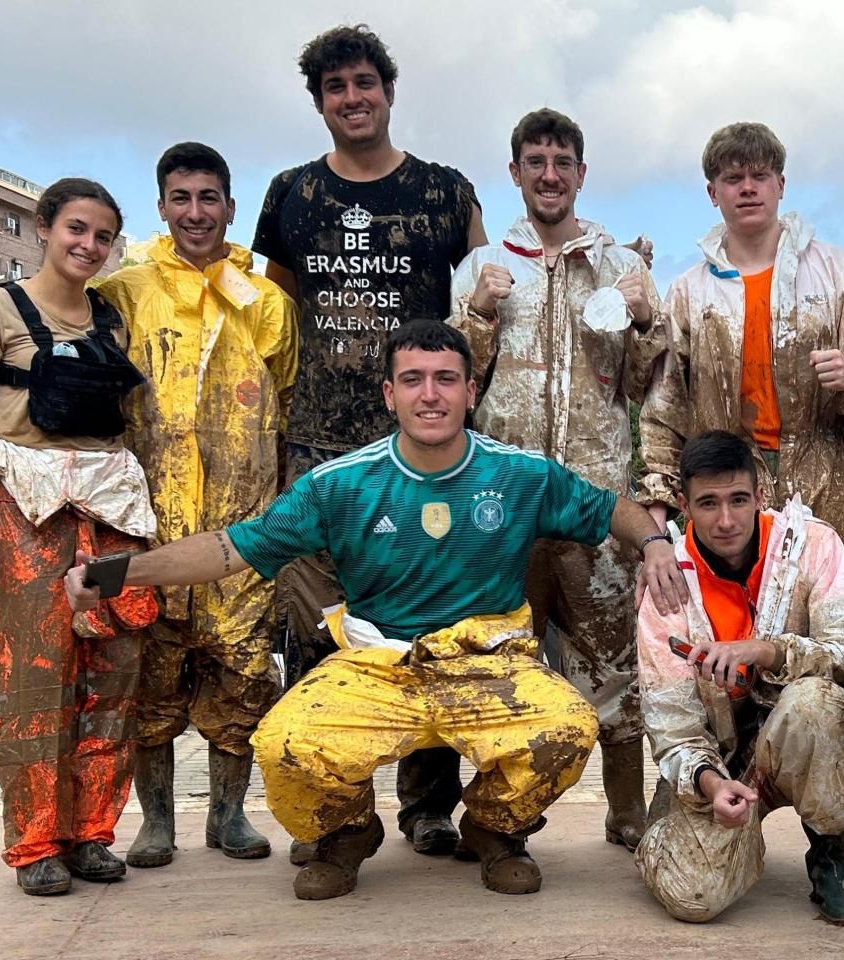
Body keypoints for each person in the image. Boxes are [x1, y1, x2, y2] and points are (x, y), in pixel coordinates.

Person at [64, 321, 688, 902]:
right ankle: (348, 832)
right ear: (390, 395)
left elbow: (611, 509)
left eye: (446, 379)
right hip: (380, 666)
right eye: (413, 380)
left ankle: (495, 830)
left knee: (567, 728)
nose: (430, 395)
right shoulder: (340, 485)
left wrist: (656, 542)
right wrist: (115, 574)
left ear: (471, 390)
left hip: (492, 666)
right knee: (285, 742)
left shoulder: (521, 475)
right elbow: (230, 549)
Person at [637, 122, 844, 874]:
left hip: (822, 473)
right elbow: (663, 405)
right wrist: (661, 513)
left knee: (841, 654)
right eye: (733, 176)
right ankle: (708, 779)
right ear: (714, 192)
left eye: (761, 173)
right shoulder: (689, 291)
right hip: (724, 481)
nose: (748, 186)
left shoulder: (840, 273)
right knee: (704, 646)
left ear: (782, 184)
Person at [251, 22, 486, 859]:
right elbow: (273, 320)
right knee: (320, 638)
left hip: (428, 452)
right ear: (319, 102)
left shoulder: (445, 194)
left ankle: (429, 806)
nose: (353, 99)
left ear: (389, 91)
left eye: (365, 83)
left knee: (428, 624)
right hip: (320, 449)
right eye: (336, 88)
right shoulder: (290, 197)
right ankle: (335, 810)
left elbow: (488, 307)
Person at [448, 108, 662, 850]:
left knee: (613, 656)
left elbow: (645, 387)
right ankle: (503, 814)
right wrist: (476, 318)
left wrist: (642, 322)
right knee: (501, 658)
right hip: (501, 502)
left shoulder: (619, 265)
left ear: (580, 172)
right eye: (534, 161)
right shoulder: (481, 268)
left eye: (561, 161)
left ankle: (627, 808)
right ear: (514, 173)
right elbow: (452, 387)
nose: (548, 174)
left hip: (597, 494)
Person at [0, 178, 156, 896]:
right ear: (44, 225)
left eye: (102, 236)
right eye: (76, 228)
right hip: (22, 514)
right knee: (32, 682)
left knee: (114, 675)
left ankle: (92, 835)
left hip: (108, 513)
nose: (87, 246)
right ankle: (36, 844)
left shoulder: (111, 318)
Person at [96, 142, 297, 868]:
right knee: (151, 675)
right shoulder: (125, 293)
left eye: (208, 198)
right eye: (181, 198)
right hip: (150, 528)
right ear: (161, 208)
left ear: (230, 207)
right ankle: (156, 824)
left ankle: (229, 815)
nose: (195, 213)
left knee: (242, 673)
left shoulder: (267, 302)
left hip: (241, 533)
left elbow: (285, 401)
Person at [634, 431, 844, 926]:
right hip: (720, 758)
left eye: (738, 500)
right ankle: (690, 826)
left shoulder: (815, 545)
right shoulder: (668, 583)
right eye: (708, 503)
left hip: (801, 733)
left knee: (815, 702)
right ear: (683, 505)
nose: (726, 520)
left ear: (759, 495)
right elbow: (671, 723)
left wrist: (767, 651)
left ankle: (832, 855)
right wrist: (706, 782)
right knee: (693, 898)